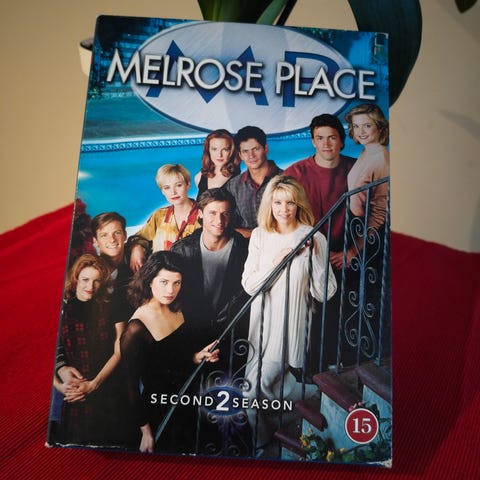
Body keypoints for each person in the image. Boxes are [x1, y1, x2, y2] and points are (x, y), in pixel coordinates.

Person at [241, 176, 337, 448]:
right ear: (269, 204)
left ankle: (261, 441)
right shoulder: (260, 235)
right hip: (260, 323)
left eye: (290, 203)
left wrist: (313, 256)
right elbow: (250, 286)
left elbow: (326, 292)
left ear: (298, 205)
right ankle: (307, 395)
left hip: (290, 324)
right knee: (271, 384)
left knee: (251, 391)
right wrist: (278, 261)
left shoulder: (314, 236)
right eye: (278, 202)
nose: (283, 209)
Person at [120, 251, 220, 454]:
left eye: (177, 283)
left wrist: (197, 356)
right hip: (159, 412)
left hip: (188, 400)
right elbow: (129, 386)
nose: (171, 290)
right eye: (164, 282)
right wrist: (146, 432)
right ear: (149, 281)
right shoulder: (136, 329)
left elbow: (171, 358)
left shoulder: (177, 307)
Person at [52, 254, 128, 446]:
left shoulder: (112, 307)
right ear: (76, 279)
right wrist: (60, 386)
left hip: (106, 387)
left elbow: (119, 351)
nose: (90, 286)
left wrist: (93, 385)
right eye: (85, 279)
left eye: (96, 281)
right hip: (73, 393)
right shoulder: (61, 308)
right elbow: (46, 353)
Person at [171, 188, 249, 340]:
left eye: (225, 214)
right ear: (200, 213)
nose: (219, 221)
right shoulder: (181, 250)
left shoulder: (244, 249)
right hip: (192, 329)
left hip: (232, 330)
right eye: (212, 213)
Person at [284, 114, 356, 269]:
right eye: (320, 138)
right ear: (313, 142)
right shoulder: (293, 174)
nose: (326, 144)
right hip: (306, 257)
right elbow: (281, 219)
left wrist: (353, 252)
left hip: (349, 258)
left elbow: (376, 215)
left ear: (341, 141)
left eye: (332, 138)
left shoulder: (359, 169)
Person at [127, 164, 201, 272]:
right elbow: (140, 238)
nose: (173, 192)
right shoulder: (160, 216)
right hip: (160, 276)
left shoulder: (203, 215)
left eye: (178, 185)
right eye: (167, 187)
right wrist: (137, 248)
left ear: (188, 185)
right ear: (162, 191)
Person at [224, 125, 283, 239]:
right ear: (240, 155)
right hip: (245, 247)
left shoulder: (287, 180)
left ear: (265, 149)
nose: (251, 156)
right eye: (245, 151)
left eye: (255, 149)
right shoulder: (233, 186)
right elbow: (229, 227)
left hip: (283, 245)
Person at [344, 103, 390, 231]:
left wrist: (361, 241)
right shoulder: (367, 150)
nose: (361, 132)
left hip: (369, 230)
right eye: (356, 126)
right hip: (356, 223)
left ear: (380, 127)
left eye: (367, 126)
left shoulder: (381, 160)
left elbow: (380, 212)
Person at [91, 211, 134, 320]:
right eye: (104, 235)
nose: (112, 240)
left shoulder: (138, 262)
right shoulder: (89, 270)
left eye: (117, 233)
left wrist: (139, 246)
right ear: (95, 241)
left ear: (125, 235)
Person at [194, 129, 241, 199]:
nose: (219, 155)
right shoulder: (199, 177)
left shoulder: (239, 181)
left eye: (225, 149)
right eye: (214, 149)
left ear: (232, 151)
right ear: (208, 150)